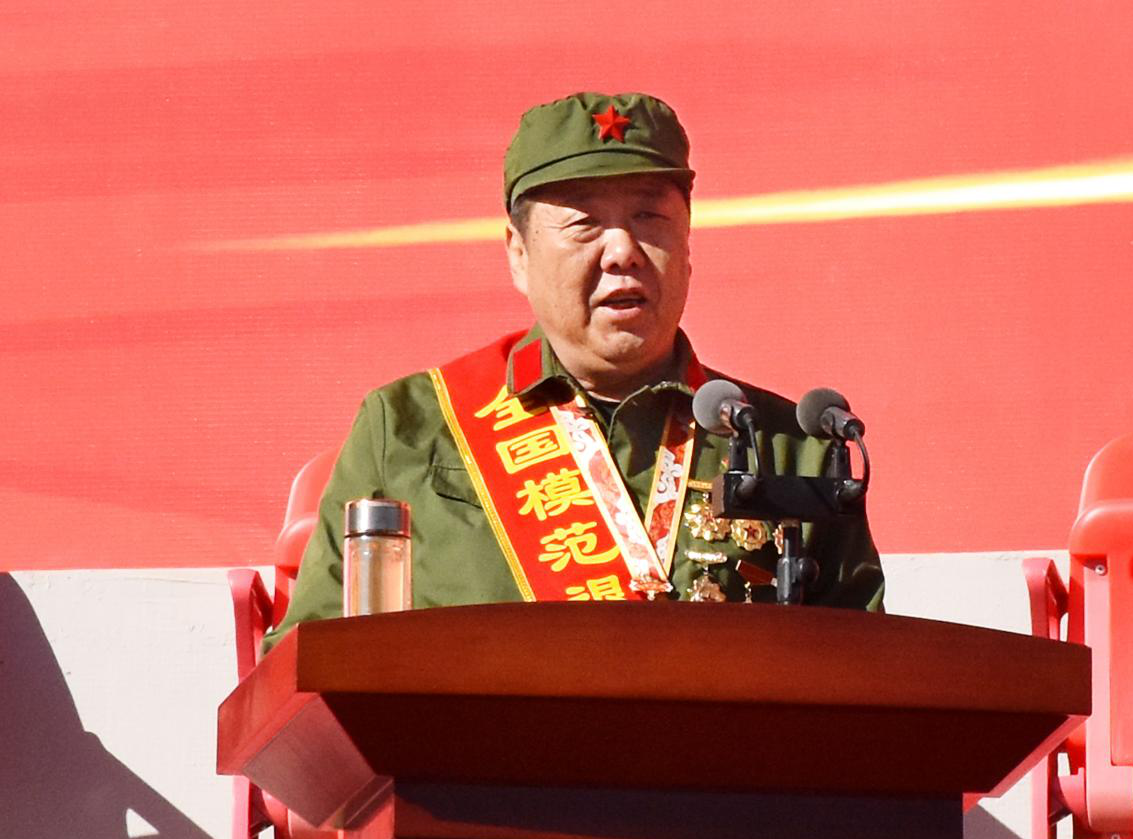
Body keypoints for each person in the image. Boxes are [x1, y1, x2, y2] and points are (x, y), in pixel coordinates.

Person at [264, 92, 882, 651]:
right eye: (585, 223)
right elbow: (307, 663)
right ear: (519, 254)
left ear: (689, 245)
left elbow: (869, 675)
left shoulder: (789, 445)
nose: (623, 252)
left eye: (650, 218)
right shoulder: (410, 428)